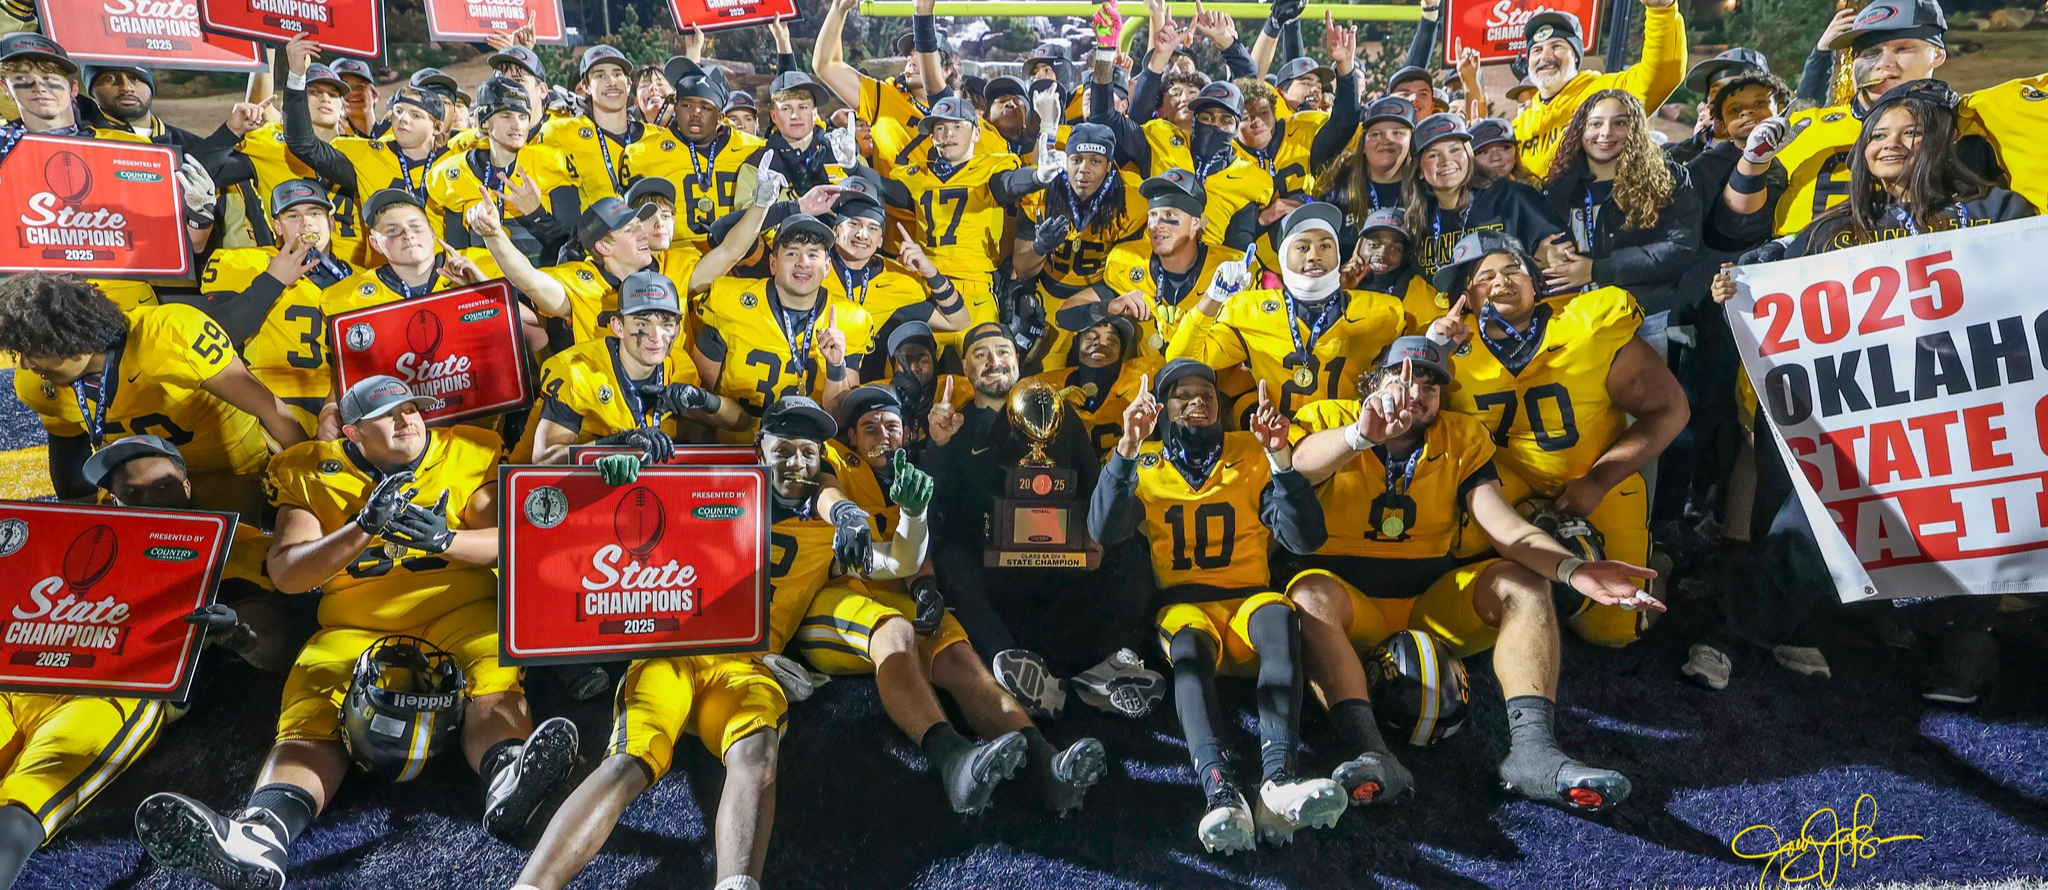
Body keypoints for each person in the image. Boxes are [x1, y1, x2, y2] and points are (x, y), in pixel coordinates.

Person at [507, 396, 998, 890]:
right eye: (784, 448)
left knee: (758, 753)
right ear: (759, 448)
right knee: (626, 763)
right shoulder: (707, 491)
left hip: (749, 668)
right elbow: (588, 523)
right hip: (674, 651)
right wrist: (604, 477)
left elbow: (899, 563)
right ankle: (531, 886)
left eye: (808, 451)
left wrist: (912, 514)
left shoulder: (826, 528)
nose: (796, 462)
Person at [135, 377, 581, 888]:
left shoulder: (468, 449)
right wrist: (361, 528)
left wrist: (446, 539)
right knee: (312, 702)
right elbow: (288, 572)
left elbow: (511, 538)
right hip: (353, 619)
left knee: (493, 676)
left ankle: (509, 779)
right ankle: (262, 836)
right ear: (351, 432)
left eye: (412, 408)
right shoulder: (308, 469)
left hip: (458, 603)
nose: (407, 420)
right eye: (388, 415)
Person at [1701, 80, 2034, 699]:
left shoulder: (2000, 213)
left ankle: (1963, 642)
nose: (1891, 145)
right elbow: (1770, 261)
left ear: (1942, 140)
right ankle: (1745, 632)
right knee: (1801, 526)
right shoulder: (1841, 227)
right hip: (1864, 420)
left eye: (1910, 132)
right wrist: (1737, 281)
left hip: (1963, 416)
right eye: (1877, 134)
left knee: (1969, 522)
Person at [1284, 336, 1663, 812]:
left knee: (1523, 581)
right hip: (1349, 604)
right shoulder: (1326, 417)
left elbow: (1503, 527)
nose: (1416, 389)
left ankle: (1533, 753)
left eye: (1431, 383)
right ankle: (1369, 750)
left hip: (1429, 604)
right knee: (1308, 593)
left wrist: (1574, 568)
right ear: (1373, 378)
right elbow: (1299, 466)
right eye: (1402, 374)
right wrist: (1363, 434)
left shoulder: (1460, 437)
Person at [802, 385, 1111, 814]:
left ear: (907, 435)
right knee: (895, 632)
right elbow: (823, 485)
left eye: (891, 427)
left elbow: (916, 551)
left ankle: (1046, 761)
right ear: (850, 438)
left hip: (898, 590)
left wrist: (926, 588)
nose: (882, 436)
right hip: (837, 594)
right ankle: (952, 760)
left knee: (958, 653)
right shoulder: (836, 460)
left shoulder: (913, 474)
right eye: (869, 428)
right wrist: (845, 513)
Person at [1093, 362, 1344, 852]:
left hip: (1250, 604)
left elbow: (1306, 539)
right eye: (1182, 394)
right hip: (1186, 609)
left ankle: (1279, 780)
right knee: (1187, 648)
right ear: (1162, 408)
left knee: (1278, 614)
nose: (1197, 400)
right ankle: (1220, 791)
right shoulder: (1142, 461)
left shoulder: (1251, 451)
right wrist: (1125, 446)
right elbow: (1104, 531)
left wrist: (1280, 457)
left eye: (1206, 392)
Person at [1433, 231, 1687, 649]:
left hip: (1593, 481)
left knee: (1616, 632)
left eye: (1513, 269)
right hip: (1502, 488)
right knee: (1462, 540)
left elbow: (1671, 408)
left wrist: (1599, 480)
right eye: (1485, 277)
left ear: (1535, 282)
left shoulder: (1586, 329)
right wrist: (1431, 354)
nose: (1501, 282)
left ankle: (1657, 561)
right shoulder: (1452, 350)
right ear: (1465, 296)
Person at [919, 323, 1165, 718]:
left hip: (1061, 555)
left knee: (1127, 541)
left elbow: (1088, 481)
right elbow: (935, 510)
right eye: (981, 355)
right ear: (965, 368)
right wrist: (941, 447)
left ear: (1018, 361)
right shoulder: (954, 425)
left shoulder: (1059, 413)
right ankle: (1010, 664)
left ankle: (1107, 666)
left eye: (1002, 352)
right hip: (993, 566)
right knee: (949, 555)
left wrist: (1094, 535)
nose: (994, 361)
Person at [0, 272, 305, 515]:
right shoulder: (37, 384)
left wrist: (315, 478)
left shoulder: (171, 337)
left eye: (32, 350)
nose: (25, 363)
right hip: (136, 489)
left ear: (71, 339)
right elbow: (68, 457)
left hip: (227, 470)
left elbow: (269, 409)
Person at [0, 33, 217, 310]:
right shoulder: (5, 152)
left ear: (73, 88)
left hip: (127, 310)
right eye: (23, 81)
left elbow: (189, 248)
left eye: (50, 78)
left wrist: (199, 215)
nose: (38, 88)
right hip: (34, 312)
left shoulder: (130, 149)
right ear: (6, 89)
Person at [1167, 203, 1409, 417]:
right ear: (1283, 257)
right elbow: (1181, 359)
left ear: (1338, 255)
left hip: (1348, 444)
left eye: (1325, 246)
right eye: (1303, 247)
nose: (1315, 256)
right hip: (1273, 445)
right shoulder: (1248, 309)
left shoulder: (1384, 312)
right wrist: (1213, 298)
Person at [513, 271, 749, 464]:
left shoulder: (678, 364)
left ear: (677, 330)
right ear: (618, 326)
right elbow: (544, 461)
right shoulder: (576, 370)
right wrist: (618, 443)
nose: (656, 337)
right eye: (643, 323)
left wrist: (704, 399)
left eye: (666, 323)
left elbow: (742, 423)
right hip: (560, 493)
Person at [193, 180, 360, 437]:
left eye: (315, 213)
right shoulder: (247, 263)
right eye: (293, 215)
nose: (306, 223)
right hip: (270, 400)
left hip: (345, 399)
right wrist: (272, 282)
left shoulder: (363, 281)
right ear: (276, 226)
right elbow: (211, 335)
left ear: (332, 222)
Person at [1540, 89, 1701, 350]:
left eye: (1620, 123)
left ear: (1635, 129)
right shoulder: (1559, 186)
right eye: (1595, 123)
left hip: (1646, 320)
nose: (1605, 133)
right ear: (1580, 130)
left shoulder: (1668, 179)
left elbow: (1681, 248)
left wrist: (1597, 269)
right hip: (1575, 319)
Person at [692, 212, 877, 434]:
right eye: (792, 253)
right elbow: (698, 400)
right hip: (738, 449)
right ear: (773, 263)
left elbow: (839, 416)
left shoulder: (851, 319)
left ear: (827, 266)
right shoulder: (731, 301)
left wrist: (836, 368)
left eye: (813, 255)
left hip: (809, 451)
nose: (803, 263)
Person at [280, 39, 451, 247]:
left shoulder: (458, 162)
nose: (403, 119)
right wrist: (297, 76)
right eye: (398, 112)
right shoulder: (366, 154)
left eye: (415, 114)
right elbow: (303, 144)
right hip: (384, 276)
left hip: (445, 272)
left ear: (437, 127)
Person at [1510, 0, 1686, 179]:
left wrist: (1661, 12)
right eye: (1537, 50)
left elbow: (1659, 74)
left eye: (1556, 46)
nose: (1545, 56)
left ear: (1576, 57)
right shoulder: (1519, 126)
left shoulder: (1603, 93)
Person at [428, 77, 578, 264]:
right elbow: (457, 254)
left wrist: (535, 213)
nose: (517, 125)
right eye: (506, 115)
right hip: (485, 286)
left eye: (523, 117)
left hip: (542, 284)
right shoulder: (453, 173)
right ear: (483, 121)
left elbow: (573, 251)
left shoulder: (551, 163)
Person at [1400, 114, 1566, 281]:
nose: (1446, 161)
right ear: (1419, 170)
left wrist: (1537, 264)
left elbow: (1560, 252)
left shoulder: (1512, 197)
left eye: (1455, 150)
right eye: (1433, 155)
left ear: (1469, 155)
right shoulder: (1417, 218)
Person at [623, 70, 766, 253]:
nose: (695, 113)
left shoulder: (756, 149)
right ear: (675, 109)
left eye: (705, 107)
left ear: (720, 117)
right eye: (687, 105)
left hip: (743, 262)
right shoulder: (641, 153)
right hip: (673, 264)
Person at [537, 46, 654, 209]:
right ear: (585, 86)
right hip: (592, 232)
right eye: (600, 75)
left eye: (617, 74)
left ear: (628, 85)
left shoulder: (657, 137)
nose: (611, 81)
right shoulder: (560, 133)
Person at [1027, 314, 1159, 457]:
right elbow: (1017, 407)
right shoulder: (1047, 383)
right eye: (1090, 337)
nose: (1100, 344)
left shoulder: (1140, 378)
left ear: (1122, 350)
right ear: (1077, 343)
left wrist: (1145, 311)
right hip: (1061, 473)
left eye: (1111, 341)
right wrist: (1055, 400)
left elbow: (1164, 356)